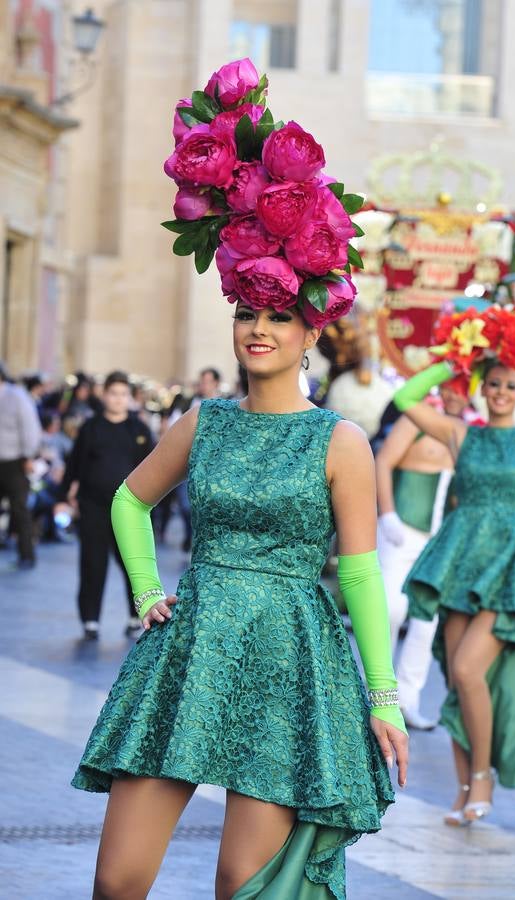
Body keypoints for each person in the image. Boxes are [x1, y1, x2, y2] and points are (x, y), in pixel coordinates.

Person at [71, 57, 408, 899]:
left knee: (243, 887)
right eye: (247, 311)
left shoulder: (340, 441)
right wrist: (147, 588)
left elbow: (361, 570)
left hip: (291, 661)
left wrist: (384, 696)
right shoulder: (203, 422)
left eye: (279, 316)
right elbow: (126, 498)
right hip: (190, 648)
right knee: (117, 882)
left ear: (310, 333)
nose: (258, 330)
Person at [392, 357, 515, 826]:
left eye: (511, 385)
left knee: (467, 668)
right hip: (463, 565)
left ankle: (482, 777)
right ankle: (463, 791)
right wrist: (449, 362)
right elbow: (404, 399)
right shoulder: (463, 435)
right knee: (460, 679)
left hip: (511, 568)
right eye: (494, 383)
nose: (501, 391)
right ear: (483, 388)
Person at [375, 381, 468, 729]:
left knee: (426, 624)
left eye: (463, 388)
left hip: (437, 541)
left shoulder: (466, 432)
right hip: (400, 530)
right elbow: (382, 461)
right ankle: (375, 697)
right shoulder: (415, 420)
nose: (455, 395)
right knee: (390, 610)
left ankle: (407, 702)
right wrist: (387, 514)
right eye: (451, 387)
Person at [59, 371, 154, 639]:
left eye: (123, 394)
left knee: (131, 563)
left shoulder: (139, 429)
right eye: (113, 393)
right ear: (104, 396)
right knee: (92, 562)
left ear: (130, 397)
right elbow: (74, 464)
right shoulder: (91, 428)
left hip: (130, 510)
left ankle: (136, 615)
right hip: (93, 506)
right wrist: (62, 497)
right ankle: (90, 619)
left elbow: (155, 468)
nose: (118, 399)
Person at [0, 362, 42, 569]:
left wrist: (28, 456)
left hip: (14, 461)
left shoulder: (15, 396)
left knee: (20, 509)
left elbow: (30, 427)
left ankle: (27, 555)